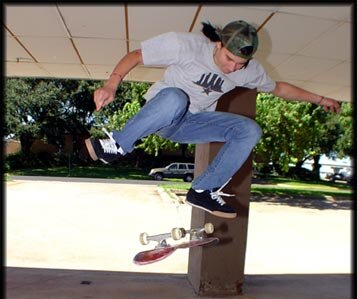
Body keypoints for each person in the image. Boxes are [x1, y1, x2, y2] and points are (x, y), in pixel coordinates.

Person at [85, 20, 341, 218]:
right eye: (229, 59)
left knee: (249, 130)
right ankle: (118, 145)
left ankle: (203, 190)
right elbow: (137, 55)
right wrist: (111, 84)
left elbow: (279, 89)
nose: (232, 68)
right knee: (176, 97)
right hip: (163, 114)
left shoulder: (249, 71)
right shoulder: (185, 46)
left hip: (192, 123)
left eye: (240, 64)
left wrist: (319, 100)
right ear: (218, 44)